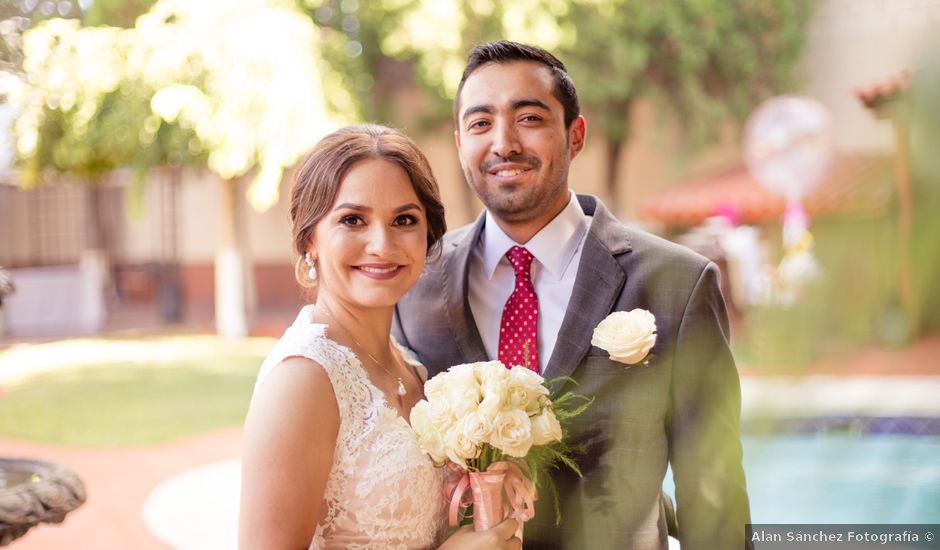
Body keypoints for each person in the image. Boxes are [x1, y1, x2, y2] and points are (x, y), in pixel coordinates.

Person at [393, 41, 753, 549]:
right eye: (480, 123)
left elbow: (712, 492)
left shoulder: (677, 283)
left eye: (529, 118)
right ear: (459, 143)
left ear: (575, 135)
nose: (504, 143)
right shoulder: (413, 285)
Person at [239, 124, 521, 550]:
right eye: (353, 220)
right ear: (309, 239)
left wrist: (487, 478)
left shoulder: (410, 364)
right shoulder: (303, 378)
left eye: (404, 220)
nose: (381, 243)